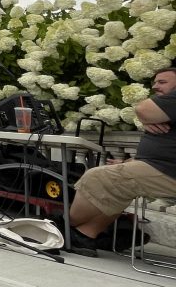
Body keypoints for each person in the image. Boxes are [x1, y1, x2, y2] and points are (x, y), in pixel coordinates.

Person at [65, 68, 176, 257]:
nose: (155, 86)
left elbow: (142, 109)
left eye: (163, 82)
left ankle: (65, 225)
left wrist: (145, 117)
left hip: (167, 172)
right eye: (155, 82)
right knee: (119, 187)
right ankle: (85, 235)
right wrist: (131, 162)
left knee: (96, 176)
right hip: (162, 168)